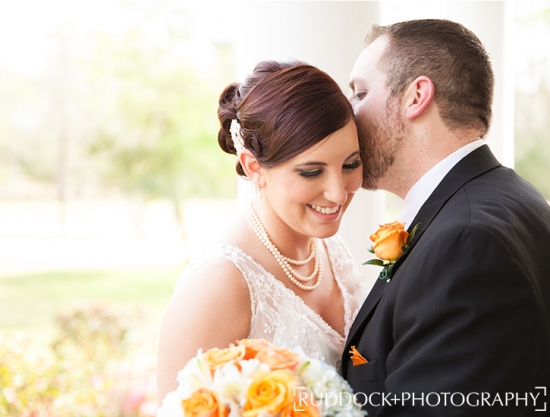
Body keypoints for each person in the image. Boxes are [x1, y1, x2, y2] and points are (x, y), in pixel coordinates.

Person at [343, 19, 550, 416]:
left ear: (416, 96)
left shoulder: (466, 242)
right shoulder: (511, 196)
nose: (349, 115)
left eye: (360, 93)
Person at [156, 60, 370, 403]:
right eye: (312, 172)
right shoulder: (220, 283)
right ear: (254, 166)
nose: (338, 193)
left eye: (350, 164)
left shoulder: (331, 249)